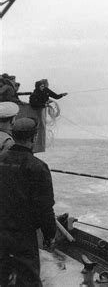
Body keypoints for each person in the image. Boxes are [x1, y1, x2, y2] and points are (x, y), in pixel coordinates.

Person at [0, 117, 56, 286]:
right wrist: (49, 235)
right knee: (28, 279)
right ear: (34, 137)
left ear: (13, 134)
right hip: (23, 237)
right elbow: (45, 208)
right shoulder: (38, 167)